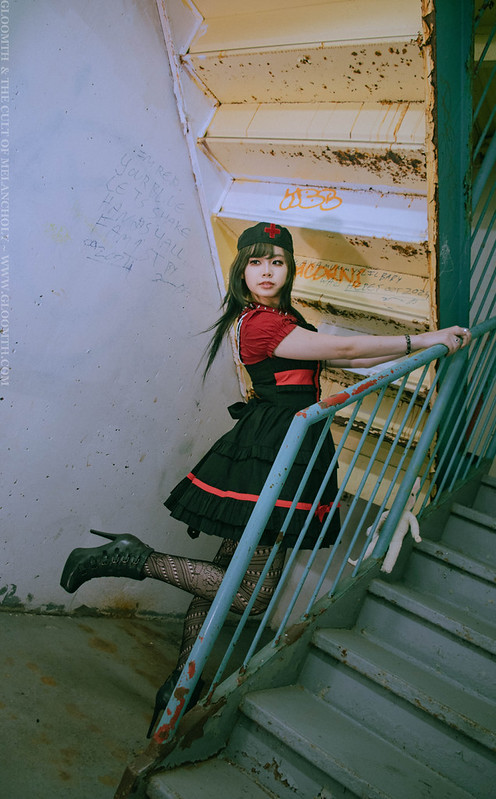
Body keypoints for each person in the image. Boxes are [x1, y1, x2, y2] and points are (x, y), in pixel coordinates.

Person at [60, 221, 471, 736]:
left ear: (289, 268)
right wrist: (425, 337)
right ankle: (133, 557)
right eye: (255, 262)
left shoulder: (286, 319)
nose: (266, 271)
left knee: (223, 576)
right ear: (241, 271)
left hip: (285, 444)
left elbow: (353, 355)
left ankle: (181, 684)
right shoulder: (258, 324)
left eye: (276, 261)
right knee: (251, 595)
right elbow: (347, 352)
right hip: (273, 448)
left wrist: (419, 349)